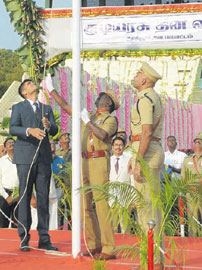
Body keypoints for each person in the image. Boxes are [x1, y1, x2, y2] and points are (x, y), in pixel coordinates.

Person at [47, 86, 120, 258]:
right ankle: (94, 243)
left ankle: (109, 248)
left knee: (101, 204)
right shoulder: (91, 116)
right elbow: (66, 106)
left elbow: (102, 135)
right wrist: (52, 90)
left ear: (108, 103)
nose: (98, 97)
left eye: (102, 96)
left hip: (99, 159)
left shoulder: (110, 119)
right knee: (84, 205)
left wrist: (87, 122)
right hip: (83, 160)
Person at [8, 79, 59, 251]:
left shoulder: (47, 109)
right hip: (25, 158)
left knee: (44, 198)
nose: (32, 83)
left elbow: (54, 130)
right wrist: (29, 131)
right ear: (24, 92)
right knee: (25, 197)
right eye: (28, 83)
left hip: (43, 158)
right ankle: (24, 237)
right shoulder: (18, 108)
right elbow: (13, 129)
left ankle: (44, 237)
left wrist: (49, 125)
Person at [129, 63, 165, 268]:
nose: (135, 76)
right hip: (149, 150)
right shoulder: (152, 97)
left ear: (144, 80)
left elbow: (146, 132)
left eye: (138, 73)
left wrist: (139, 161)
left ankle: (152, 260)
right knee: (150, 208)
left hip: (148, 152)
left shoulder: (145, 99)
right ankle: (152, 258)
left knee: (147, 210)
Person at [182, 135, 202, 236]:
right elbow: (183, 178)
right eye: (195, 141)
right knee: (192, 219)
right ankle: (193, 241)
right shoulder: (187, 160)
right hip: (191, 194)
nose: (197, 143)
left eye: (200, 142)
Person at [108, 136, 132, 233]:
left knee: (125, 226)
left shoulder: (129, 159)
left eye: (121, 145)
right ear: (112, 147)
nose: (118, 147)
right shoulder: (108, 160)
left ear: (124, 146)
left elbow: (132, 178)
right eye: (116, 145)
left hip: (125, 197)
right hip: (111, 197)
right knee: (112, 226)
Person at [0, 138, 19, 229]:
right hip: (5, 196)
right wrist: (6, 196)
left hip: (19, 195)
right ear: (5, 147)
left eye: (13, 142)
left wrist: (19, 194)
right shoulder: (1, 161)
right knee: (3, 224)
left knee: (18, 224)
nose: (11, 144)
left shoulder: (21, 160)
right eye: (9, 143)